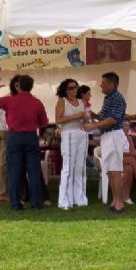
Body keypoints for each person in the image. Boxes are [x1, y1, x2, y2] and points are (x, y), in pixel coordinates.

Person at [0, 74, 49, 211]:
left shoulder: (10, 100)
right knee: (34, 172)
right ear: (31, 86)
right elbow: (44, 123)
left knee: (14, 172)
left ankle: (16, 204)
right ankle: (36, 203)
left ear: (18, 86)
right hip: (31, 137)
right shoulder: (37, 102)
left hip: (14, 137)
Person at [84, 72, 126, 213]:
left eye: (103, 82)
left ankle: (119, 202)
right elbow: (104, 117)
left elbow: (113, 119)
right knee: (109, 170)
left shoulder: (117, 98)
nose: (100, 85)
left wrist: (93, 126)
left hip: (113, 135)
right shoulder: (109, 98)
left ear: (111, 84)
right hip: (107, 136)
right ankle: (115, 200)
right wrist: (93, 115)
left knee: (115, 170)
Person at [55, 79, 88, 210]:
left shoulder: (81, 101)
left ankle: (79, 198)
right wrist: (76, 116)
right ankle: (64, 200)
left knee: (80, 167)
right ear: (65, 89)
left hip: (81, 132)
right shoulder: (62, 101)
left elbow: (84, 119)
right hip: (68, 133)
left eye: (75, 87)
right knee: (68, 167)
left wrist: (84, 118)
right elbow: (58, 120)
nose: (73, 90)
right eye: (70, 88)